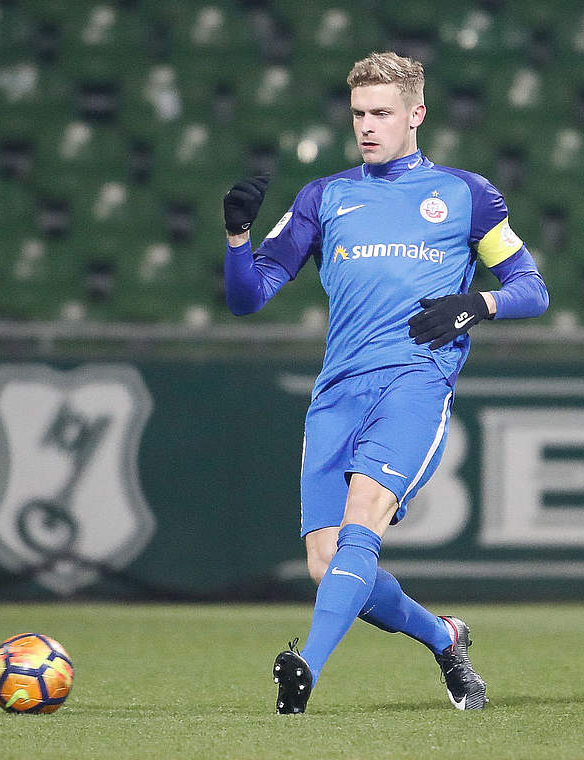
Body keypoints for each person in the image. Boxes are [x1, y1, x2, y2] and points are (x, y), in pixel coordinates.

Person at [221, 51, 549, 713]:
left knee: (362, 523)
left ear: (416, 115)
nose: (367, 126)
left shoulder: (465, 195)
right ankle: (444, 638)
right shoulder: (325, 197)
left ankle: (304, 669)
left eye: (381, 113)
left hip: (415, 385)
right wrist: (236, 235)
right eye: (359, 114)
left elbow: (532, 289)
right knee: (327, 565)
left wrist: (478, 303)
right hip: (337, 395)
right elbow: (248, 297)